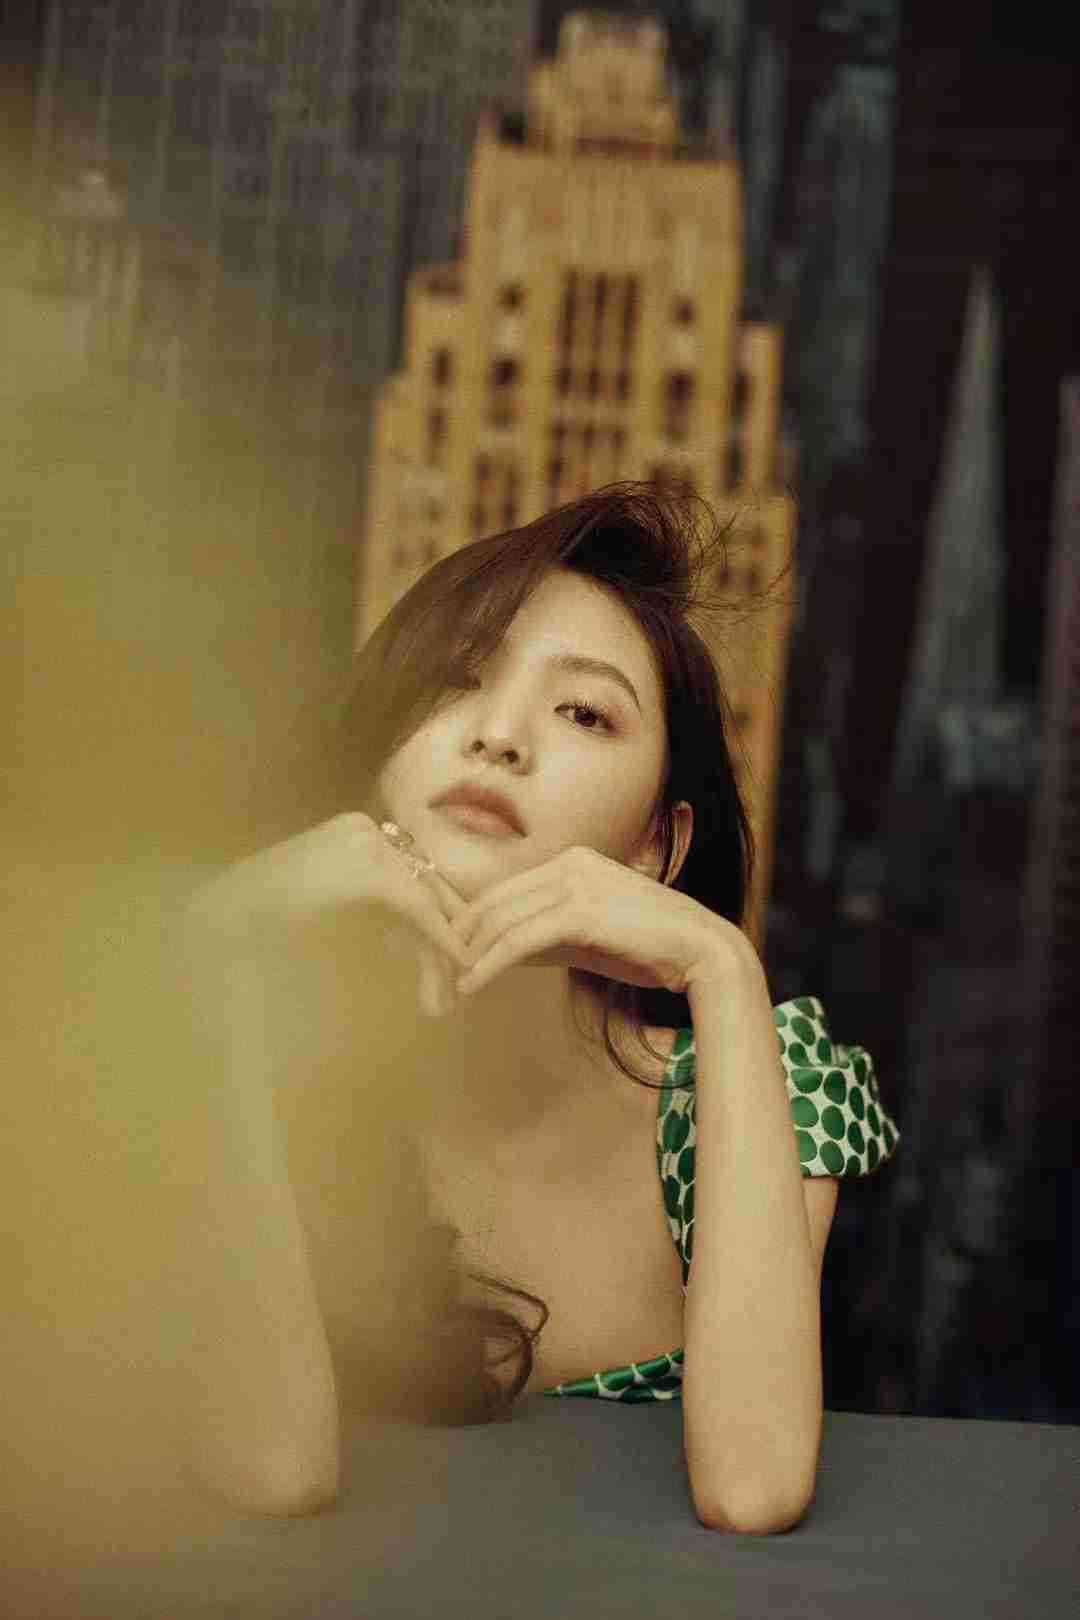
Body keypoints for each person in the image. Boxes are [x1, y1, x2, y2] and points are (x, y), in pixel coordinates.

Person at [176, 482, 899, 1533]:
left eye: (584, 713)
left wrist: (721, 964)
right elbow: (274, 1469)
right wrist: (208, 954)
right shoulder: (271, 1071)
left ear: (655, 846)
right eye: (456, 681)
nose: (500, 737)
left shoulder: (756, 1084)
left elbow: (753, 1487)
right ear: (377, 763)